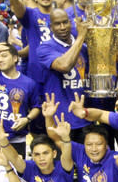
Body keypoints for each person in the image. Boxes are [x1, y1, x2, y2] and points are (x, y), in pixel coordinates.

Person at [37, 9, 91, 140]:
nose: (62, 27)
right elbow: (64, 65)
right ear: (51, 27)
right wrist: (81, 36)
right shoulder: (45, 48)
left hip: (85, 116)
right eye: (57, 24)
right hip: (62, 120)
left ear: (71, 23)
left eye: (65, 22)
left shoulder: (83, 48)